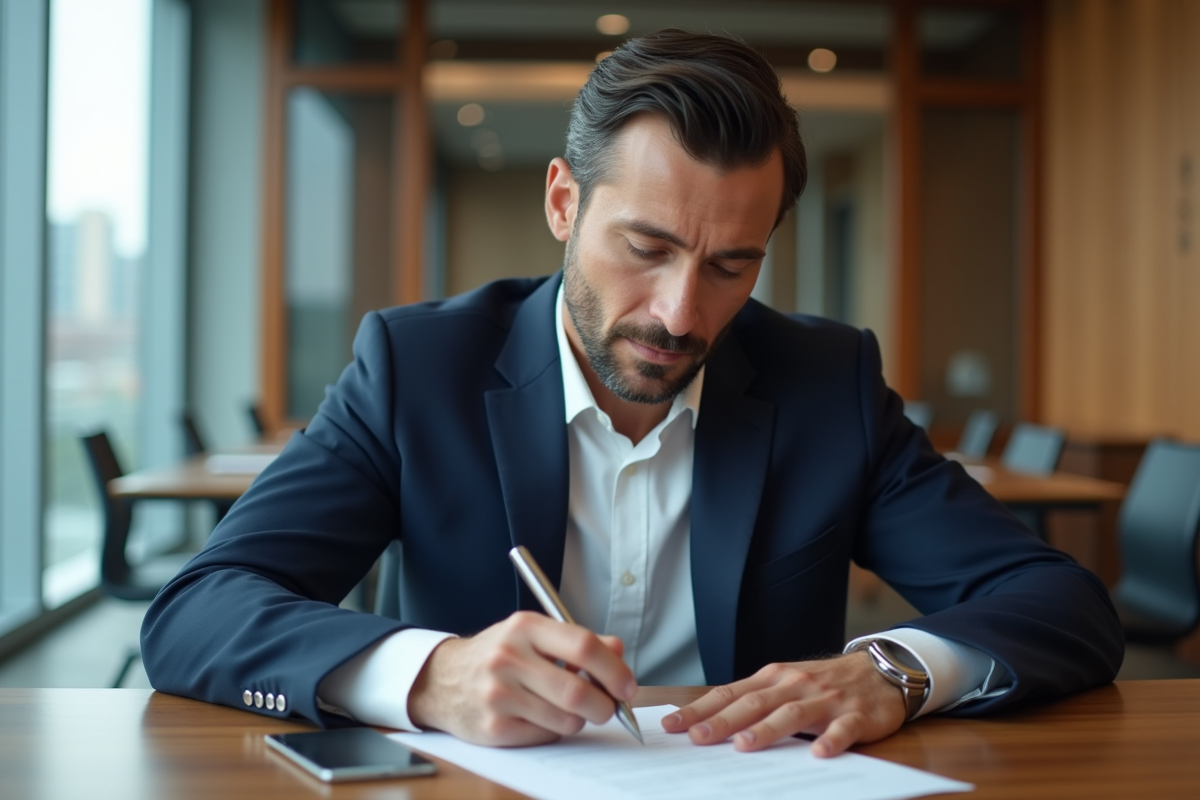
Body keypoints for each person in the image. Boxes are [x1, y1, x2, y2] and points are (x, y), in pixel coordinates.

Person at [141, 30, 1122, 758]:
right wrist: (431, 675)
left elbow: (1063, 604)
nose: (681, 313)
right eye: (646, 248)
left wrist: (895, 670)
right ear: (563, 202)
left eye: (732, 265)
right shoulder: (417, 369)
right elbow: (198, 610)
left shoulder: (829, 385)